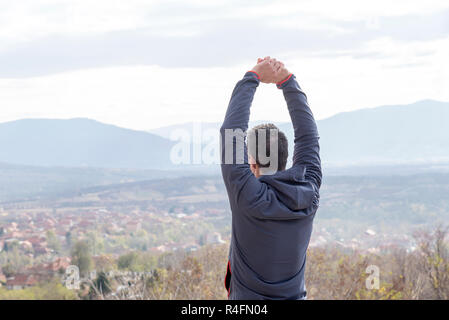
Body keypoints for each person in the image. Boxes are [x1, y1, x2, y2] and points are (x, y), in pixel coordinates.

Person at [220, 57, 322, 300]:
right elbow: (308, 138)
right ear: (286, 157)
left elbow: (231, 133)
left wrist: (253, 76)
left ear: (252, 163)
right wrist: (286, 81)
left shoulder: (247, 196)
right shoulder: (309, 191)